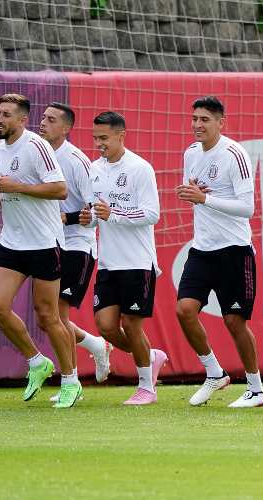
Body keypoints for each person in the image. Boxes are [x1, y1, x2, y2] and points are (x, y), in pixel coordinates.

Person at [0, 93, 78, 407]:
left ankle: (70, 381)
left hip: (43, 242)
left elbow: (59, 189)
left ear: (22, 120)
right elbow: (9, 190)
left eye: (7, 115)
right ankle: (37, 363)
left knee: (48, 316)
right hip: (12, 241)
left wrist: (17, 188)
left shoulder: (37, 146)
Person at [174, 97, 263, 408]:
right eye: (195, 118)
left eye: (205, 120)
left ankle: (256, 389)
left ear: (220, 123)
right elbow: (196, 190)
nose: (198, 125)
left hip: (234, 251)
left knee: (234, 322)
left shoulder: (234, 154)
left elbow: (247, 208)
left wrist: (204, 199)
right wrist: (191, 193)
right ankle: (214, 372)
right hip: (202, 249)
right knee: (184, 310)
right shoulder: (190, 153)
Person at [82, 111, 167, 405]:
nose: (99, 144)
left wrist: (114, 215)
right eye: (95, 138)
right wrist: (88, 218)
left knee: (132, 325)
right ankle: (151, 356)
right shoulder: (93, 169)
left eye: (104, 138)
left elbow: (152, 214)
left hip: (137, 261)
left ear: (121, 136)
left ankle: (146, 388)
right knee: (105, 326)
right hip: (108, 262)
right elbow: (96, 215)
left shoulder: (140, 168)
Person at [39, 102, 113, 406]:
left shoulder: (76, 161)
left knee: (57, 313)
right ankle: (97, 345)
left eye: (51, 119)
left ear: (66, 128)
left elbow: (94, 210)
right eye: (42, 118)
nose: (43, 123)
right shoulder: (37, 153)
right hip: (48, 244)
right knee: (48, 317)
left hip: (78, 246)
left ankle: (71, 381)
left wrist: (68, 219)